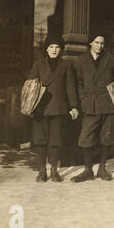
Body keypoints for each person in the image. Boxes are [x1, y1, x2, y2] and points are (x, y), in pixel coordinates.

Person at [28, 34, 79, 182]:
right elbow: (30, 85)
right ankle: (42, 170)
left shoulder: (66, 65)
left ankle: (54, 170)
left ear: (61, 49)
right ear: (46, 49)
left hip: (58, 108)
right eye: (51, 47)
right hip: (40, 109)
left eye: (57, 47)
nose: (54, 50)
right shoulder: (38, 64)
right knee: (40, 140)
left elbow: (70, 87)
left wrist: (73, 106)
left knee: (55, 141)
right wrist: (29, 103)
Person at [71, 36, 114, 182]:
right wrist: (83, 99)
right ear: (91, 43)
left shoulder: (111, 59)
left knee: (107, 137)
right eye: (97, 43)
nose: (100, 46)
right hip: (90, 104)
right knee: (86, 137)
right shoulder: (81, 60)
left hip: (107, 104)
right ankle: (88, 169)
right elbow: (78, 83)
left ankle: (102, 168)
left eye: (102, 43)